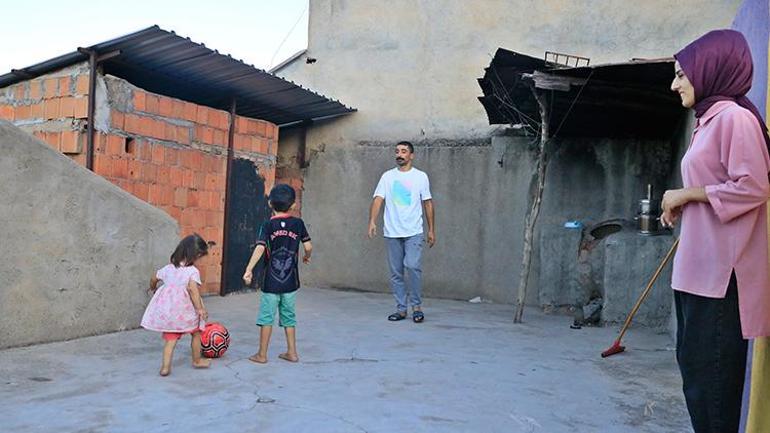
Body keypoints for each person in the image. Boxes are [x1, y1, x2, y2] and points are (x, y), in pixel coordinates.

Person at [662, 29, 770, 433]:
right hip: (695, 272)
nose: (674, 84)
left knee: (715, 392)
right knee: (696, 383)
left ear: (710, 70)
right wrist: (683, 201)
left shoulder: (735, 119)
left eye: (681, 75)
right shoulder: (706, 121)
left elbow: (754, 186)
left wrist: (686, 193)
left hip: (723, 279)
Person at [243, 184, 312, 364]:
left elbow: (260, 248)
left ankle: (262, 355)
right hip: (290, 283)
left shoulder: (268, 225)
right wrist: (307, 257)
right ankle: (292, 352)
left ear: (270, 204)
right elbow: (308, 246)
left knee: (267, 318)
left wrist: (249, 269)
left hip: (271, 283)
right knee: (289, 317)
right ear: (293, 205)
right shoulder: (298, 224)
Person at [368, 141, 435, 323]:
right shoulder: (387, 177)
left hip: (414, 231)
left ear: (411, 155)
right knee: (396, 272)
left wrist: (431, 230)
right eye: (397, 151)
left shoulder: (420, 177)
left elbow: (427, 203)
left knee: (412, 265)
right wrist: (372, 221)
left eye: (404, 151)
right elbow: (378, 199)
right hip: (392, 232)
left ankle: (417, 307)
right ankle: (401, 309)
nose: (400, 154)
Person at [141, 234, 213, 376]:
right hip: (185, 312)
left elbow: (153, 278)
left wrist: (153, 287)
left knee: (170, 340)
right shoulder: (192, 271)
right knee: (196, 333)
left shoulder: (168, 269)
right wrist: (200, 309)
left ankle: (165, 368)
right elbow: (193, 290)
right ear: (195, 255)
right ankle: (197, 361)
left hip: (170, 314)